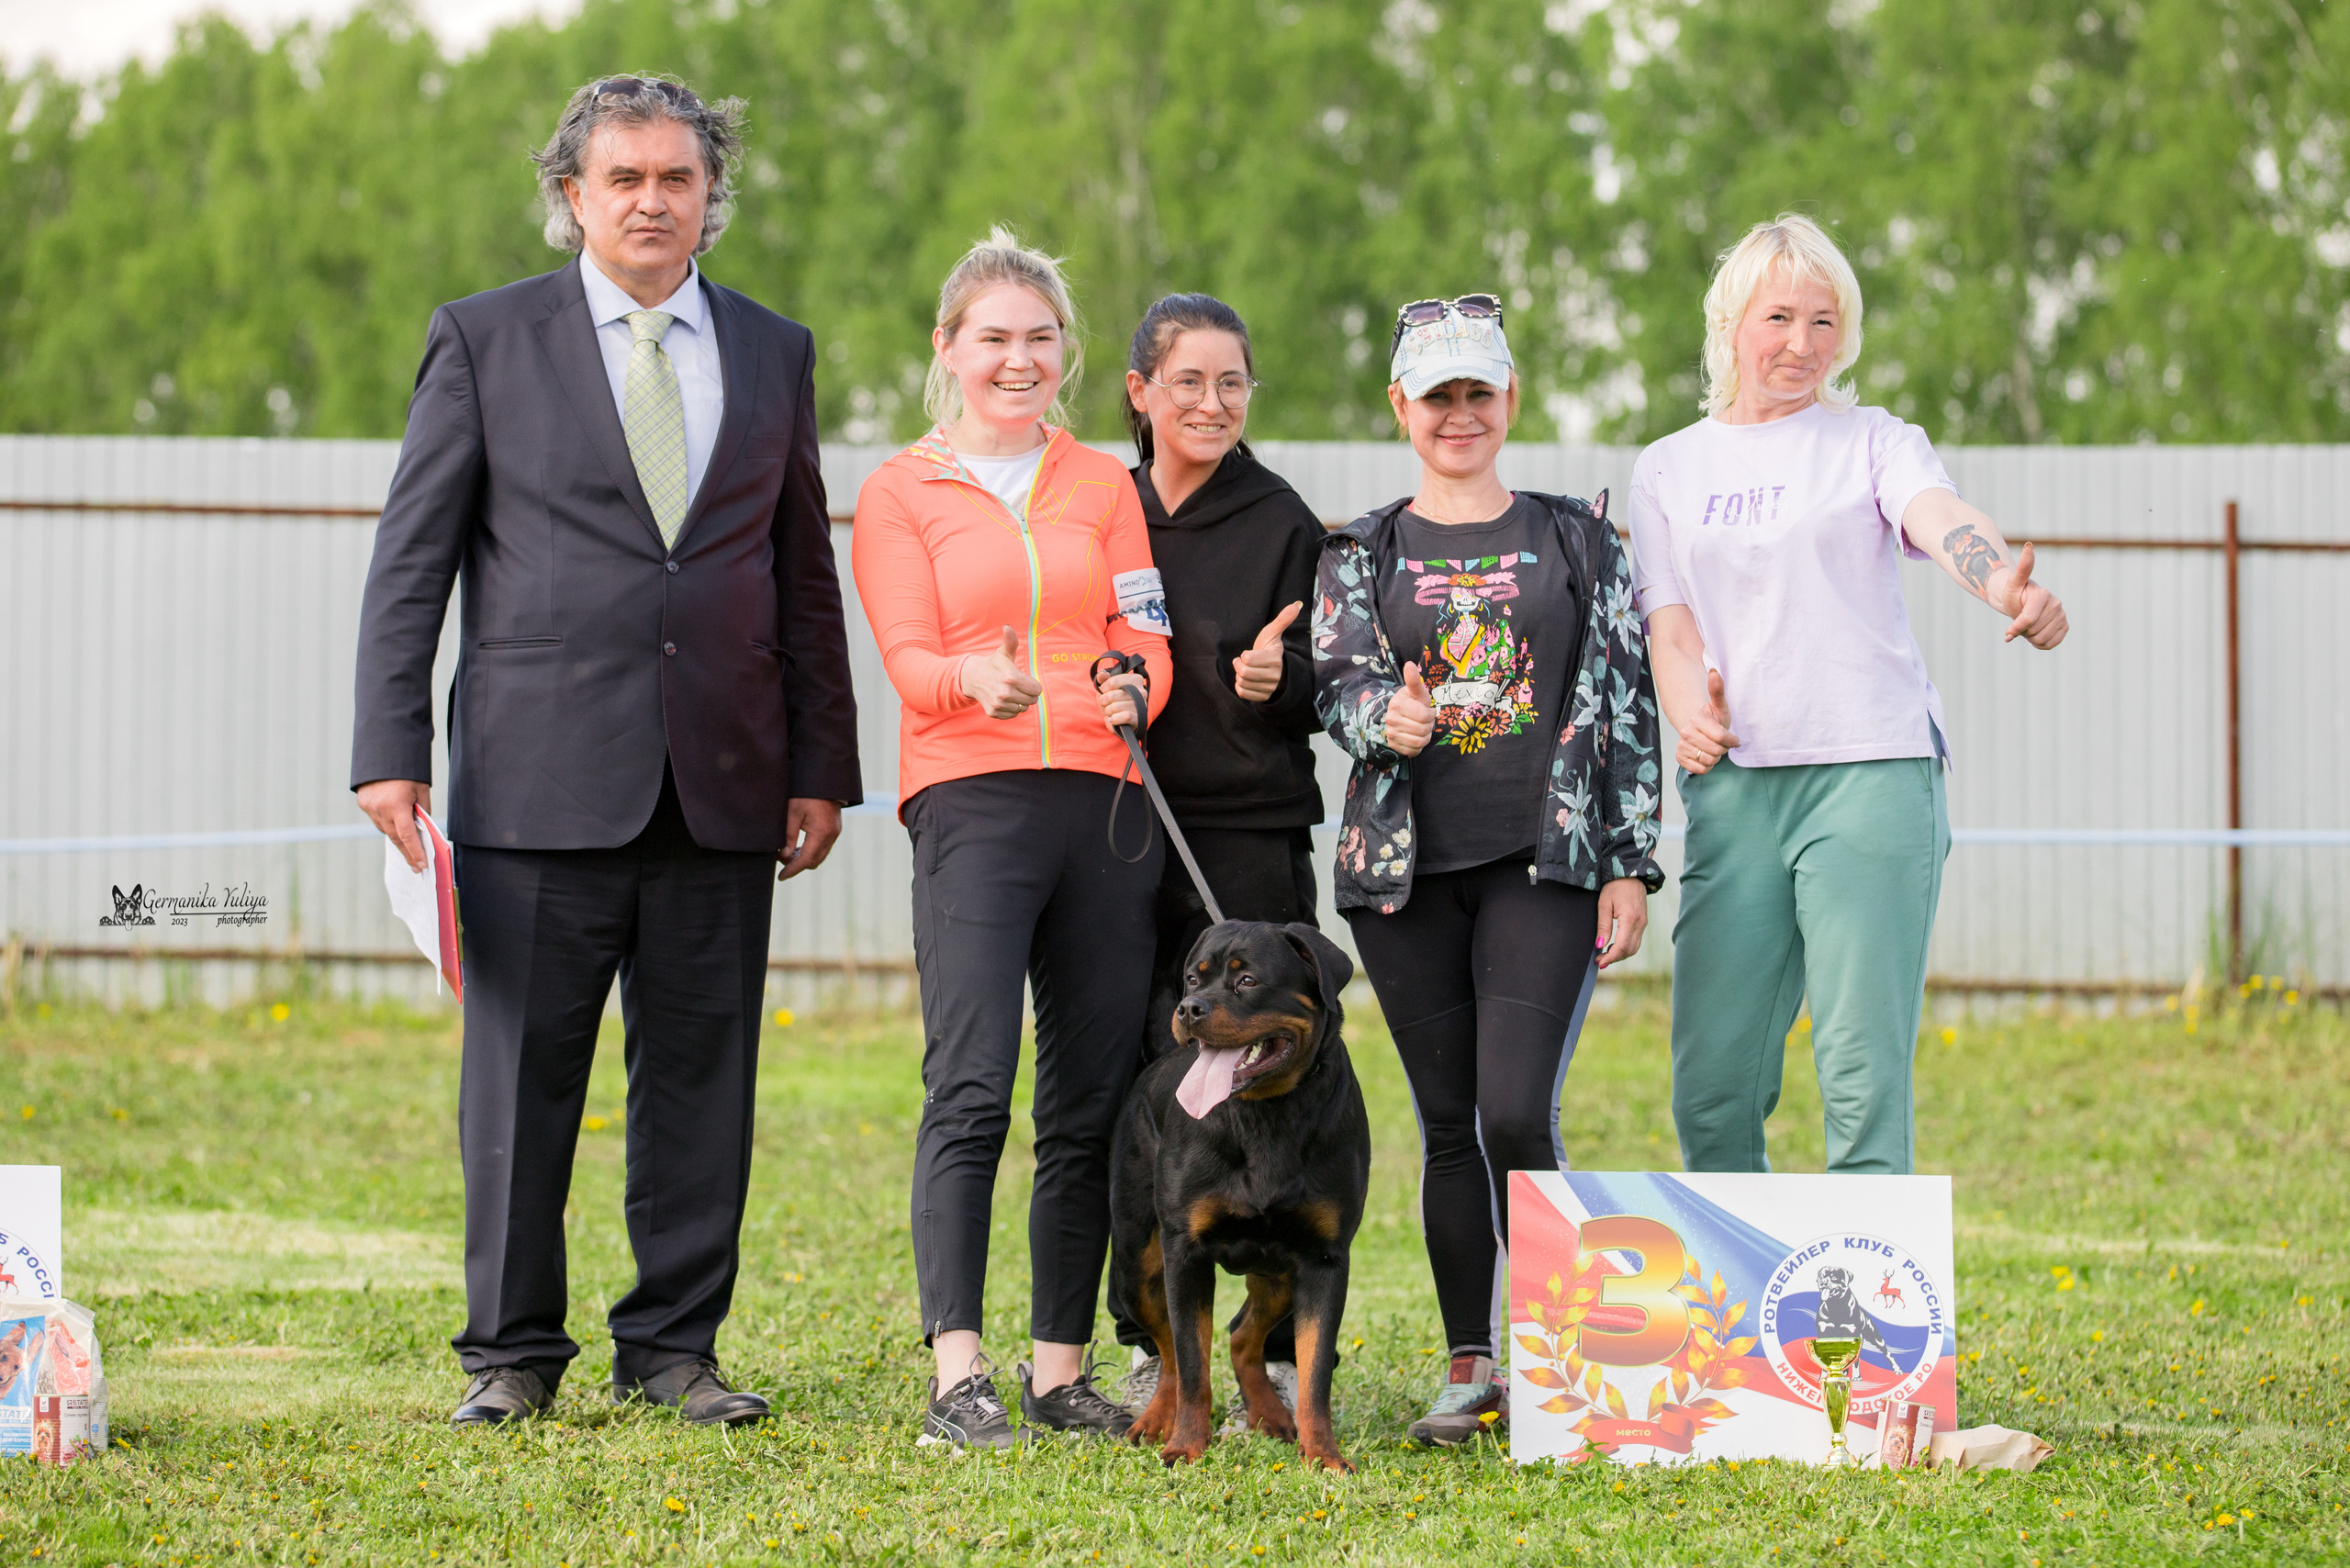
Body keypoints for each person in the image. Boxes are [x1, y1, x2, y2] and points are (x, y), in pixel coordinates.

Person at [350, 74, 861, 1428]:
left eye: (676, 179)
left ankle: (675, 1350)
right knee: (518, 1091)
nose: (650, 200)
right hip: (534, 783)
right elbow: (414, 563)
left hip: (727, 784)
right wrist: (387, 750)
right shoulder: (482, 340)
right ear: (571, 195)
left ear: (710, 200)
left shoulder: (772, 348)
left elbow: (800, 570)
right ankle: (510, 1357)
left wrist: (822, 764)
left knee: (703, 1080)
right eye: (623, 178)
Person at [1628, 213, 2068, 1177]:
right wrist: (1682, 707)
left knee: (1860, 1075)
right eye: (1778, 317)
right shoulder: (1666, 467)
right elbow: (1668, 622)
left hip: (1871, 775)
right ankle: (1736, 1309)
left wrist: (2003, 583)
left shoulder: (1871, 440)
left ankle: (1859, 1329)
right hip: (1736, 790)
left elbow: (1939, 516)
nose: (1800, 344)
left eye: (1824, 322)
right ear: (1730, 323)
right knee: (1711, 1084)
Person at [1314, 294, 1663, 1446]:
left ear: (1509, 401)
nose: (1457, 414)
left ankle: (1561, 1364)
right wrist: (1384, 718)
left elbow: (1623, 701)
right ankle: (1472, 1368)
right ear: (1401, 410)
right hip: (1405, 877)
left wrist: (1628, 863)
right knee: (1448, 1120)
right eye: (1436, 396)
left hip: (1543, 862)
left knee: (1518, 1111)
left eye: (1478, 392)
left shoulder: (1578, 536)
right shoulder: (1360, 549)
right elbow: (1338, 684)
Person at [851, 228, 1172, 1451]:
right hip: (971, 796)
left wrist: (1138, 687)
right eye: (994, 338)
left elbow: (1147, 640)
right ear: (948, 350)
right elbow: (909, 657)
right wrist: (966, 683)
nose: (1019, 359)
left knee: (1086, 1098)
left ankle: (1057, 1371)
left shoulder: (1103, 484)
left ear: (1066, 354)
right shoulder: (899, 491)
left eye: (1040, 340)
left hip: (1103, 799)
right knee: (971, 1086)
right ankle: (957, 1374)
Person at [1107, 293, 1325, 1427]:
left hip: (1242, 840)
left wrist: (1273, 684)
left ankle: (1273, 1351)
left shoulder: (1282, 515)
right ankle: (1150, 1340)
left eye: (1231, 382)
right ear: (1141, 391)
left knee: (1263, 1098)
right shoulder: (1101, 504)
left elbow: (1326, 679)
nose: (1211, 402)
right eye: (1187, 381)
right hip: (1118, 823)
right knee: (1143, 1092)